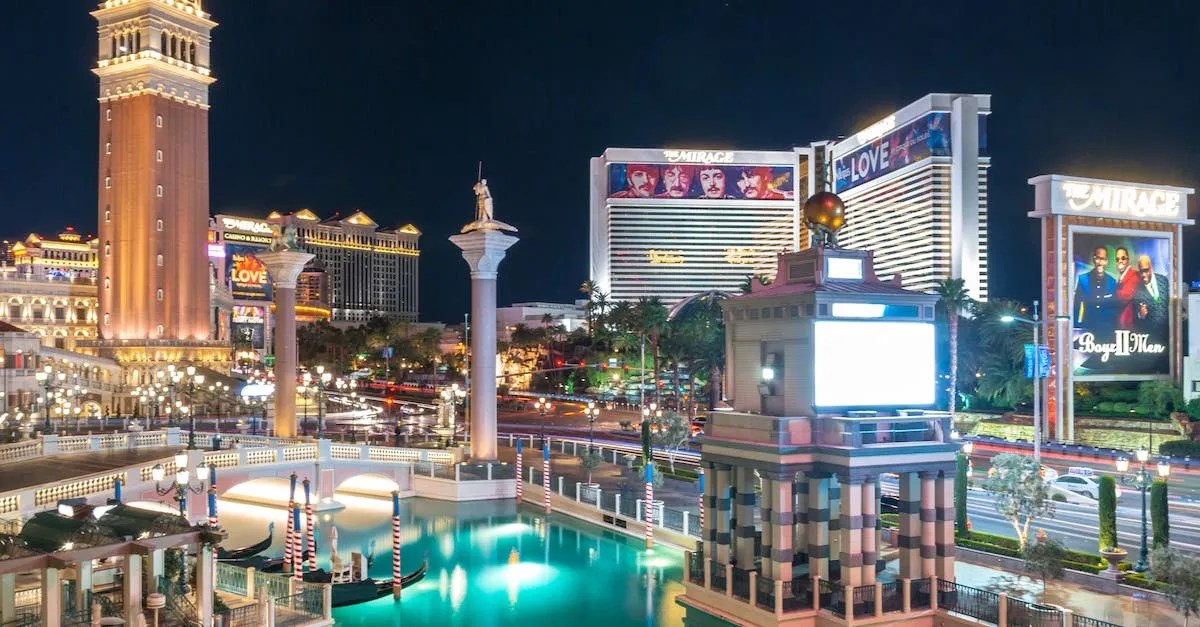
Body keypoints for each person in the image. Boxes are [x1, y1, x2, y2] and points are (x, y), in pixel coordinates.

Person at [1073, 246, 1116, 335]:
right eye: (1098, 258)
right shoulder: (1082, 280)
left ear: (1106, 261)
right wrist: (1076, 328)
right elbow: (1076, 307)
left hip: (1107, 330)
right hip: (1087, 329)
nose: (1100, 262)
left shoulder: (1112, 282)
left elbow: (1114, 309)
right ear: (1094, 260)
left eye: (1103, 259)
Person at [1133, 255, 1170, 339]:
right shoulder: (1137, 291)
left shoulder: (1163, 280)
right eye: (1141, 271)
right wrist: (1140, 315)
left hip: (1167, 334)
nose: (1143, 274)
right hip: (1151, 336)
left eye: (1146, 270)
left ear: (1151, 268)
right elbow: (1135, 317)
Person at [1113, 246, 1139, 329]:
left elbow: (1125, 297)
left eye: (1123, 258)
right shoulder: (1120, 279)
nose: (1120, 261)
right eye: (1117, 259)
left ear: (1128, 260)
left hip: (1130, 327)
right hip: (1121, 326)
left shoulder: (1134, 275)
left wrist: (1110, 292)